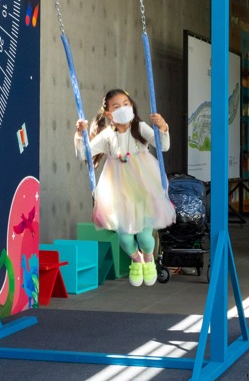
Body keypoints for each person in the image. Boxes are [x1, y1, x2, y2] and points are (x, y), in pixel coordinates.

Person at [75, 88, 175, 287]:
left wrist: (163, 127)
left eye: (126, 104)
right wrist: (79, 134)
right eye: (117, 106)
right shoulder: (107, 136)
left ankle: (148, 258)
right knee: (125, 239)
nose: (123, 108)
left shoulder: (140, 128)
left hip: (144, 189)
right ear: (109, 113)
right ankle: (137, 260)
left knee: (145, 237)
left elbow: (163, 146)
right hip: (120, 193)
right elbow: (83, 154)